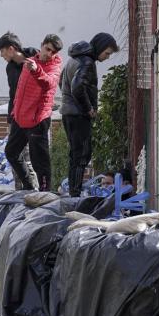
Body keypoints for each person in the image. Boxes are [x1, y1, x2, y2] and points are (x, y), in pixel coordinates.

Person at [59, 32, 119, 196]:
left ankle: (73, 190)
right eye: (106, 53)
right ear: (99, 47)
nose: (107, 57)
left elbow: (61, 81)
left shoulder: (75, 58)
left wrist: (69, 101)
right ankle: (75, 192)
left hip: (68, 112)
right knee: (82, 154)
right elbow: (77, 87)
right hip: (78, 115)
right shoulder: (87, 62)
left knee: (75, 154)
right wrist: (88, 108)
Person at [5, 34, 63, 191]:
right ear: (42, 45)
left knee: (40, 161)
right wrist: (14, 111)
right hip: (20, 117)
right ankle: (29, 186)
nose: (49, 54)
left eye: (53, 52)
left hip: (37, 120)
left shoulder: (54, 67)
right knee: (11, 152)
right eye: (47, 49)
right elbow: (19, 90)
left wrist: (37, 70)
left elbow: (48, 84)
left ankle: (45, 192)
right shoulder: (29, 62)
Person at [0, 31, 38, 189]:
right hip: (16, 116)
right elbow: (13, 94)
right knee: (14, 153)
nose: (1, 55)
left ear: (11, 49)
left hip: (32, 117)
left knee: (29, 156)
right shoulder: (10, 68)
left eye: (2, 50)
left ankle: (34, 189)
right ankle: (20, 190)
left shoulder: (34, 60)